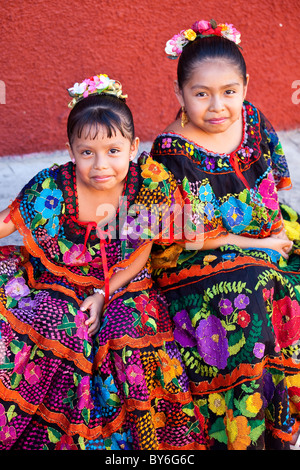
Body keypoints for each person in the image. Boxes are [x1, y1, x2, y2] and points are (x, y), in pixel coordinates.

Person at [0, 74, 206, 450]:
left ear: (133, 146)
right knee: (58, 326)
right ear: (71, 150)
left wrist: (103, 294)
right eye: (86, 152)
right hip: (57, 281)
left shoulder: (148, 182)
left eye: (113, 150)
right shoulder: (53, 184)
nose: (100, 165)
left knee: (127, 334)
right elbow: (6, 223)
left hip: (127, 282)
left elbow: (141, 250)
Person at [150, 20, 300, 450]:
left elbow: (270, 197)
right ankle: (245, 431)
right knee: (250, 287)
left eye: (229, 92)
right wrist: (262, 246)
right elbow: (189, 239)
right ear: (179, 94)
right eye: (201, 94)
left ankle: (281, 409)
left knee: (283, 271)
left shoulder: (252, 121)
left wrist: (273, 238)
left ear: (246, 86)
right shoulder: (170, 154)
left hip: (259, 235)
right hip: (192, 257)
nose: (218, 106)